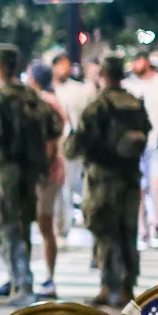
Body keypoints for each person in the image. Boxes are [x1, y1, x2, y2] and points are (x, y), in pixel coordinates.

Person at [0, 44, 60, 307]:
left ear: (0, 66)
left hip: (6, 173)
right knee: (23, 226)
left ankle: (21, 283)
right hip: (30, 172)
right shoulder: (32, 96)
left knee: (7, 227)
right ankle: (18, 280)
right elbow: (54, 126)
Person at [66, 56, 153, 309]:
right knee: (128, 232)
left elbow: (79, 143)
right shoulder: (135, 103)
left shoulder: (98, 105)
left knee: (105, 231)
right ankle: (127, 286)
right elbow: (146, 133)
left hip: (103, 178)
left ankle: (109, 286)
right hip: (130, 176)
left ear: (103, 74)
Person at [123, 51, 158, 250]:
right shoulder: (128, 85)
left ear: (146, 62)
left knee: (157, 184)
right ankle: (141, 230)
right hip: (135, 144)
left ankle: (154, 225)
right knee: (138, 187)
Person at [24, 61, 66, 297]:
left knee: (44, 224)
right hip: (48, 171)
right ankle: (42, 277)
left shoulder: (45, 103)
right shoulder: (50, 101)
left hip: (46, 173)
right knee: (42, 224)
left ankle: (49, 278)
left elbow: (51, 141)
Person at [49, 49, 95, 234]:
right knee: (56, 187)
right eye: (60, 65)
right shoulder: (48, 91)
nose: (64, 69)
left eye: (66, 65)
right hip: (51, 146)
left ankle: (64, 225)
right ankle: (59, 222)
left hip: (71, 145)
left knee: (67, 185)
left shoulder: (79, 91)